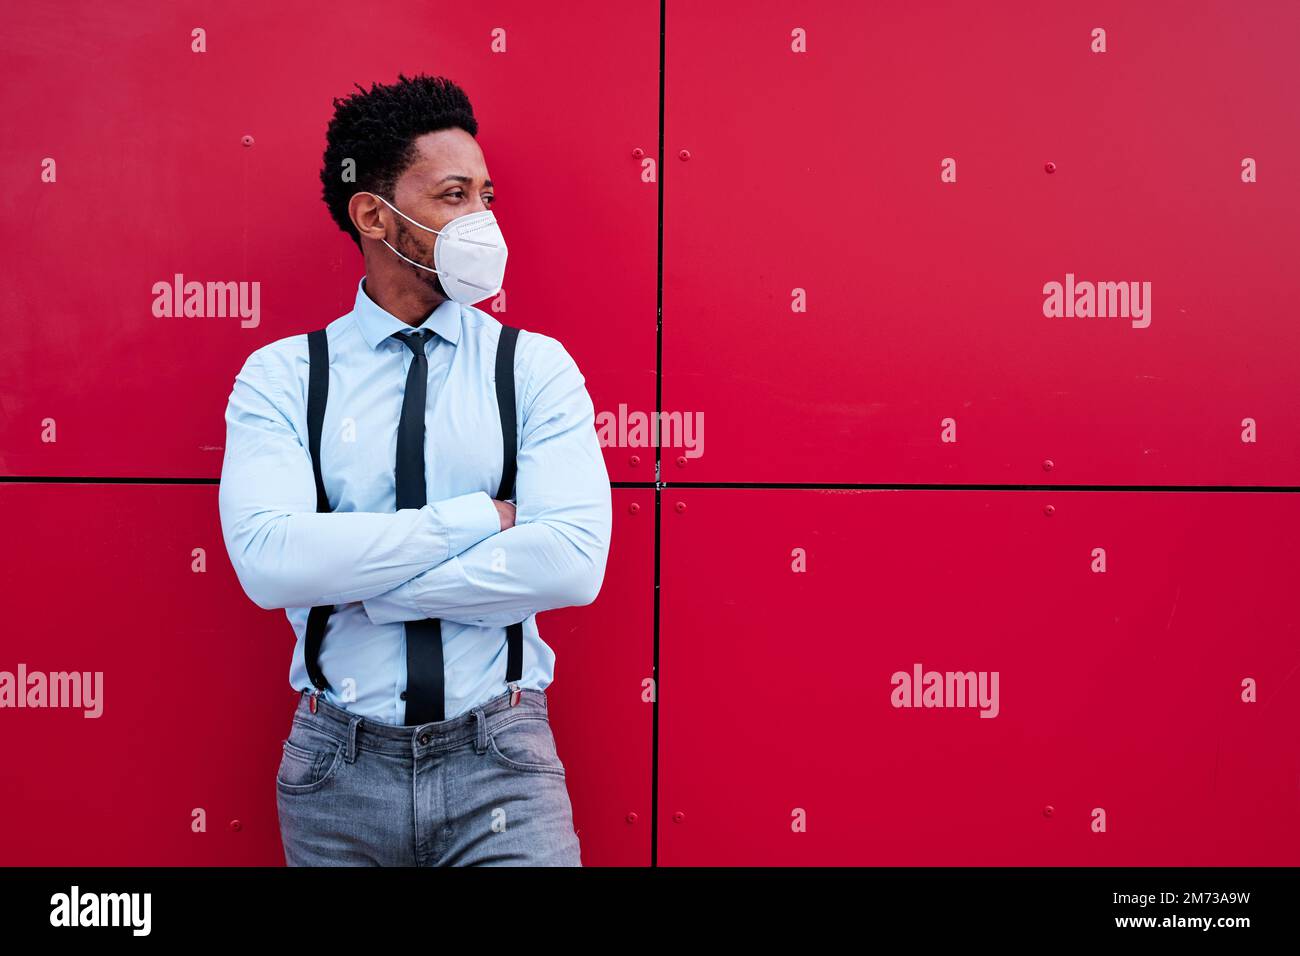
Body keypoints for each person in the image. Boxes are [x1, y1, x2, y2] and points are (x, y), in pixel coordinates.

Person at [217, 73, 612, 866]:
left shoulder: (534, 368)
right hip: (338, 771)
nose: (484, 222)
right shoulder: (285, 376)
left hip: (502, 760)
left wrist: (358, 580)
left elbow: (571, 564)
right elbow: (269, 564)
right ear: (373, 214)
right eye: (454, 196)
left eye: (486, 197)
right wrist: (479, 519)